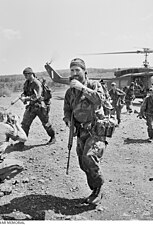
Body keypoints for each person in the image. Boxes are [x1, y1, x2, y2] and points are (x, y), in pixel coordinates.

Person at [63, 58, 116, 205]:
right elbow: (67, 110)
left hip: (96, 130)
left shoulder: (93, 85)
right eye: (72, 70)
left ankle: (98, 189)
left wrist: (82, 88)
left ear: (84, 72)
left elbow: (99, 100)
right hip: (81, 131)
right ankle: (94, 187)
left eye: (77, 70)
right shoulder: (69, 92)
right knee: (82, 163)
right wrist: (69, 122)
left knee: (90, 157)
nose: (74, 73)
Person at [18, 67, 56, 148]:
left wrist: (26, 98)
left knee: (46, 124)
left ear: (31, 74)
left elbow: (38, 96)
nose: (25, 76)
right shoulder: (27, 83)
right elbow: (24, 92)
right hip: (31, 106)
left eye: (27, 74)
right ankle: (21, 142)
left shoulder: (37, 83)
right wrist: (23, 96)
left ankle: (53, 137)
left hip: (40, 107)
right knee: (25, 124)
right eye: (24, 75)